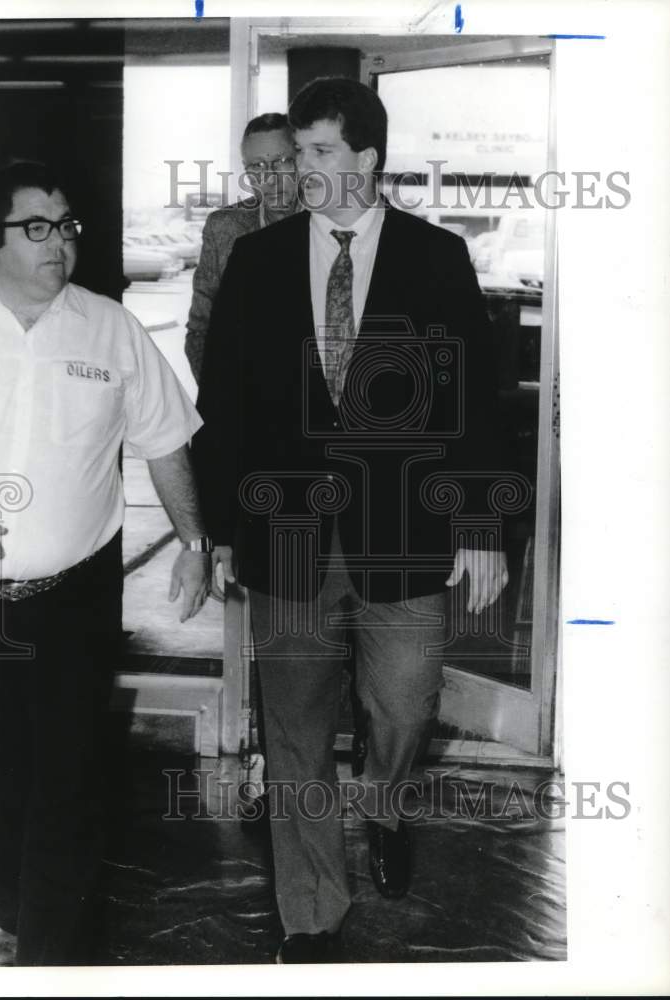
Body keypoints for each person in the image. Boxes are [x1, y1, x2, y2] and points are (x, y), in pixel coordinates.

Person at [193, 78, 509, 963]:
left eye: (320, 153)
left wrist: (481, 524)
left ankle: (386, 799)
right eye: (296, 156)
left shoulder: (435, 257)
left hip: (403, 533)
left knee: (403, 708)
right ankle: (312, 915)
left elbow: (474, 403)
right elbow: (223, 407)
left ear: (367, 158)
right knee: (293, 733)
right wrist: (219, 528)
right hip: (283, 535)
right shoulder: (257, 263)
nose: (302, 171)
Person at [0, 161, 212, 966]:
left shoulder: (109, 326)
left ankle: (47, 948)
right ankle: (5, 914)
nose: (61, 243)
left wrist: (192, 543)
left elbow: (164, 439)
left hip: (74, 597)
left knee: (69, 772)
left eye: (68, 225)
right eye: (37, 227)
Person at [184, 112, 299, 382]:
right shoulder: (223, 228)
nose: (269, 178)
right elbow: (201, 330)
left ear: (302, 160)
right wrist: (221, 401)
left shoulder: (329, 226)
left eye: (281, 162)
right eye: (256, 167)